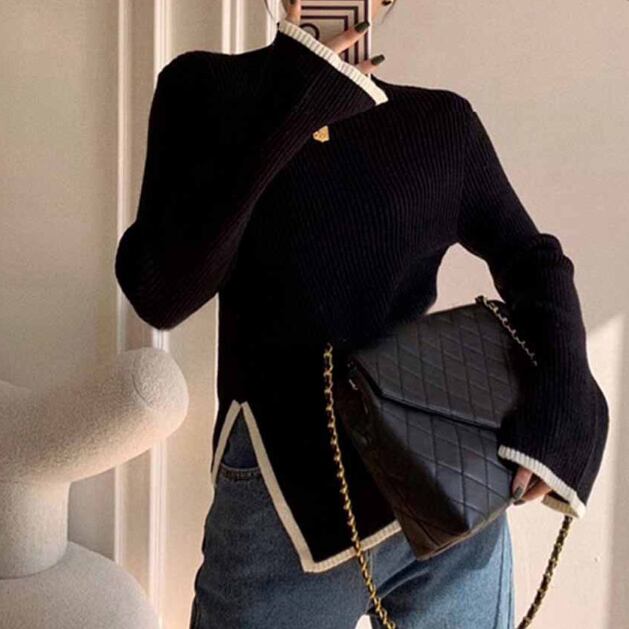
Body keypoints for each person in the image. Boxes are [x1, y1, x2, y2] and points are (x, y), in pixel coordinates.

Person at [114, 0, 609, 627]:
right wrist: (297, 93)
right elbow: (161, 293)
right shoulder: (205, 90)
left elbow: (533, 260)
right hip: (283, 498)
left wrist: (564, 399)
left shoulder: (439, 122)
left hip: (447, 483)